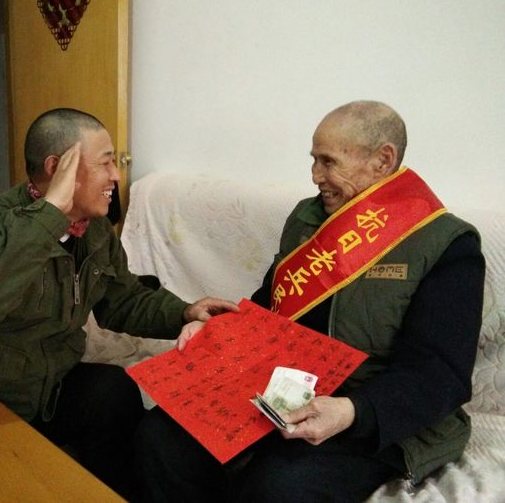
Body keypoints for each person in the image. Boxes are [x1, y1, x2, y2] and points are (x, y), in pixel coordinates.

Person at [135, 101, 485, 502]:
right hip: (284, 391)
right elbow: (269, 309)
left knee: (277, 485)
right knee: (161, 437)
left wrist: (352, 410)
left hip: (371, 411)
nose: (316, 175)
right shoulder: (308, 218)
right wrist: (215, 333)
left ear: (383, 160)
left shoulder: (444, 243)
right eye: (314, 160)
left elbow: (439, 374)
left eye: (328, 162)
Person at [0, 108, 238, 499]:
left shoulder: (96, 230)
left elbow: (123, 300)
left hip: (51, 385)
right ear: (58, 168)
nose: (116, 176)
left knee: (114, 391)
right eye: (105, 163)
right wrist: (49, 215)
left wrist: (184, 312)